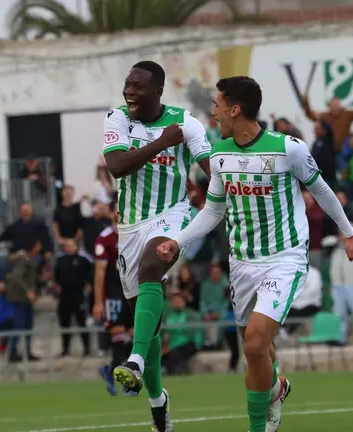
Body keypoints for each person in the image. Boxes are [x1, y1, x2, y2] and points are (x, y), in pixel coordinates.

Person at [156, 76, 353, 432]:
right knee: (258, 350)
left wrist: (348, 232)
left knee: (253, 345)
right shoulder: (219, 154)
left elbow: (322, 190)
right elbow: (213, 210)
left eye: (218, 105)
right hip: (242, 263)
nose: (214, 112)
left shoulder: (288, 148)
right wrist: (178, 241)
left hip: (284, 258)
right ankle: (276, 389)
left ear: (235, 110)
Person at [102, 60, 212, 431]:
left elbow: (209, 165)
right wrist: (162, 142)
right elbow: (117, 166)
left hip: (173, 214)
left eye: (137, 86)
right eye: (127, 84)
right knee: (147, 323)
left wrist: (226, 186)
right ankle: (158, 401)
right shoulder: (117, 118)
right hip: (130, 226)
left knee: (152, 265)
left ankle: (133, 360)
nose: (129, 91)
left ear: (158, 91)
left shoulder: (186, 122)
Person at [92, 205, 134, 396]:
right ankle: (125, 381)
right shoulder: (105, 238)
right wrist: (98, 302)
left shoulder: (133, 232)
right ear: (112, 214)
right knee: (118, 337)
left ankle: (110, 371)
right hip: (114, 293)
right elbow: (99, 273)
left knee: (134, 337)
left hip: (131, 290)